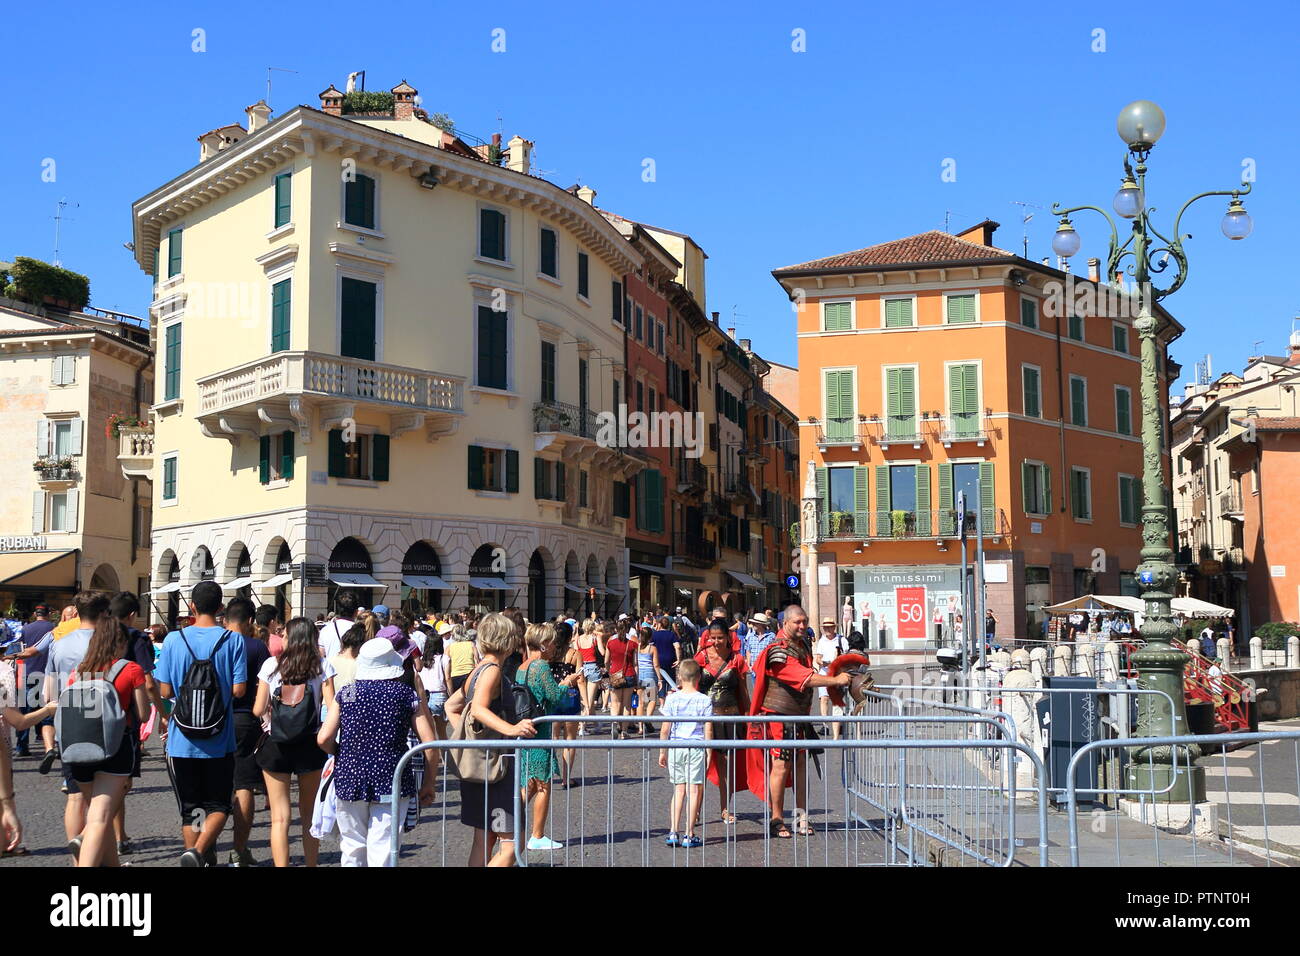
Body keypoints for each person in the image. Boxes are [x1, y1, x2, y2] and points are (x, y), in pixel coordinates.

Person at [316, 638, 436, 866]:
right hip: (392, 777)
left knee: (352, 847)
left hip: (350, 775)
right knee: (383, 849)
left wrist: (340, 752)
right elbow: (428, 741)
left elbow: (323, 738)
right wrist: (429, 782)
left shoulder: (347, 693)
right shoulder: (405, 694)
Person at [154, 581, 247, 867]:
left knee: (191, 808)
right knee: (219, 804)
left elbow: (166, 692)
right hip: (219, 737)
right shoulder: (233, 640)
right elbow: (239, 690)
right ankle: (197, 853)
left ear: (192, 606)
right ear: (221, 608)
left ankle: (195, 854)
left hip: (182, 739)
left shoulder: (173, 640)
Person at [746, 605, 850, 839]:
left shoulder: (801, 645)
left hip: (799, 716)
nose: (803, 626)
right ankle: (776, 818)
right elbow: (801, 677)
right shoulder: (778, 650)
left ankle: (802, 817)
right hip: (780, 717)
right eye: (798, 622)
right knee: (781, 766)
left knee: (801, 765)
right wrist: (835, 680)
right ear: (785, 623)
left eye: (805, 621)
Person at [445, 613, 537, 866]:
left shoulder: (478, 670)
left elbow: (452, 707)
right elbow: (478, 710)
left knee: (483, 840)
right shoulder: (493, 671)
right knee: (511, 845)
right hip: (496, 771)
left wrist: (474, 738)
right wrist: (510, 729)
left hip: (480, 767)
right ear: (509, 640)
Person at [59, 617, 149, 868]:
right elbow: (142, 714)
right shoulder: (131, 669)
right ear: (119, 642)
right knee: (99, 816)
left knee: (101, 814)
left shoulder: (79, 671)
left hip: (78, 749)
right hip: (116, 747)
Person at [253, 617, 330, 866]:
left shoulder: (271, 665)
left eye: (284, 635)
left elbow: (257, 709)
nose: (282, 639)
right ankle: (311, 864)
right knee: (309, 813)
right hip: (310, 743)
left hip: (276, 743)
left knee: (279, 817)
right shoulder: (322, 666)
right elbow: (332, 705)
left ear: (292, 638)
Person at [45, 591, 111, 857]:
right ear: (104, 613)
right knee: (104, 798)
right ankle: (97, 856)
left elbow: (48, 693)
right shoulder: (109, 642)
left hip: (69, 723)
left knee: (74, 795)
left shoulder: (58, 643)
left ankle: (78, 859)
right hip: (103, 725)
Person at [518, 622, 580, 851]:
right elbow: (553, 696)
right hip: (540, 729)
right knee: (543, 782)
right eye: (553, 643)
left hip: (528, 728)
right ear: (543, 645)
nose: (556, 647)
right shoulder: (541, 667)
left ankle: (510, 814)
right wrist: (566, 683)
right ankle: (537, 834)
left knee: (532, 782)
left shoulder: (523, 666)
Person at [223, 597, 269, 867]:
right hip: (246, 721)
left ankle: (204, 848)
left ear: (226, 619)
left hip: (213, 720)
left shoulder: (217, 644)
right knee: (244, 785)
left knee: (211, 785)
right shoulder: (257, 647)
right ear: (251, 620)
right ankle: (238, 850)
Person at [695, 619, 749, 824]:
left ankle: (725, 809)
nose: (716, 642)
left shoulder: (737, 659)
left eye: (720, 638)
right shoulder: (701, 656)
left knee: (726, 766)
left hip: (730, 717)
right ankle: (696, 808)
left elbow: (743, 692)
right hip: (706, 718)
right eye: (712, 638)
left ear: (728, 637)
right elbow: (690, 684)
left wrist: (749, 716)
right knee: (701, 765)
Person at [659, 659, 711, 848]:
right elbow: (708, 730)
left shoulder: (672, 698)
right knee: (694, 791)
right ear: (698, 677)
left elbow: (665, 729)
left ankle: (673, 831)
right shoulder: (704, 700)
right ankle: (689, 833)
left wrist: (662, 751)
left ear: (679, 677)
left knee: (678, 790)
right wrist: (709, 751)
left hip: (676, 747)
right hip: (696, 747)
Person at [12, 604, 55, 760]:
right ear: (48, 614)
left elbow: (17, 648)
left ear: (35, 614)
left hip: (28, 673)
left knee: (25, 712)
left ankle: (22, 746)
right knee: (48, 710)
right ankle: (48, 745)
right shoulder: (54, 629)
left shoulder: (25, 629)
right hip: (48, 674)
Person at [549, 621, 582, 787]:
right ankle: (566, 778)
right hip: (570, 696)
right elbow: (580, 680)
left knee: (553, 738)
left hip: (552, 695)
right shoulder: (575, 654)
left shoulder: (550, 653)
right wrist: (587, 703)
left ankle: (547, 774)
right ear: (570, 637)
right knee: (570, 740)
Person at [813, 617, 848, 740]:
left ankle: (836, 728)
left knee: (836, 701)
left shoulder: (841, 640)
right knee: (824, 698)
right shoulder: (822, 641)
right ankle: (825, 725)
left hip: (837, 673)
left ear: (834, 627)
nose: (827, 629)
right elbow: (817, 657)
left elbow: (847, 656)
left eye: (829, 626)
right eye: (825, 627)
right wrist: (821, 662)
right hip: (824, 672)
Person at [603, 620, 637, 738]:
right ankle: (624, 731)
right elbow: (635, 663)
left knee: (615, 703)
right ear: (628, 629)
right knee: (627, 704)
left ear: (616, 629)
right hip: (629, 674)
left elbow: (606, 661)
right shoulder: (632, 643)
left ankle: (614, 724)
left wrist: (610, 671)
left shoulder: (610, 642)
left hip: (615, 674)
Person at [419, 630, 451, 741]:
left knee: (428, 735)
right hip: (439, 695)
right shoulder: (444, 659)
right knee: (442, 733)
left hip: (424, 696)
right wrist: (450, 695)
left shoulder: (422, 661)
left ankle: (432, 758)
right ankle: (444, 757)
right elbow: (447, 678)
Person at [574, 618, 604, 735]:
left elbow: (576, 654)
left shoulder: (578, 639)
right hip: (592, 667)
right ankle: (582, 727)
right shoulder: (595, 638)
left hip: (581, 668)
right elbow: (602, 652)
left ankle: (596, 723)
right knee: (589, 702)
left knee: (584, 700)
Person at [318, 590, 359, 660]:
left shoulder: (325, 630)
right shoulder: (359, 631)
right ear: (356, 612)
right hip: (352, 669)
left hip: (330, 669)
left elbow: (321, 655)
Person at [649, 616, 680, 701]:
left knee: (660, 681)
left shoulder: (654, 634)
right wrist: (678, 659)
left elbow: (650, 647)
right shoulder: (672, 634)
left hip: (657, 660)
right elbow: (677, 646)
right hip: (670, 660)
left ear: (660, 624)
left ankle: (662, 702)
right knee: (671, 680)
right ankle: (669, 699)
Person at [447, 623, 477, 694]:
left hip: (455, 677)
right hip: (469, 675)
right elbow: (477, 662)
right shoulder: (471, 644)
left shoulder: (449, 648)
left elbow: (446, 665)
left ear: (453, 635)